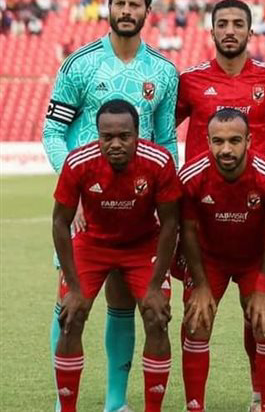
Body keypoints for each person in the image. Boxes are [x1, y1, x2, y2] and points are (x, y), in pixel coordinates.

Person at [41, 0, 178, 412]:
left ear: (147, 11)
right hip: (88, 204)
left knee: (124, 302)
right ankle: (64, 401)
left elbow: (167, 140)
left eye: (135, 5)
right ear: (108, 6)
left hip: (139, 207)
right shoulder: (79, 65)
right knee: (70, 303)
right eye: (120, 3)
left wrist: (164, 195)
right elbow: (52, 131)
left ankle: (115, 404)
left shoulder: (164, 71)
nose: (126, 11)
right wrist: (75, 191)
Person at [51, 100, 180, 412]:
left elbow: (170, 224)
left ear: (137, 134)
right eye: (107, 137)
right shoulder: (78, 162)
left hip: (142, 246)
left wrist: (155, 285)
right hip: (93, 244)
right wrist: (73, 286)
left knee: (156, 316)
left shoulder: (158, 161)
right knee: (71, 315)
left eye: (124, 136)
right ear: (98, 136)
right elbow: (59, 222)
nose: (116, 144)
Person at [178, 108, 265, 412]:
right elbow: (187, 232)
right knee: (196, 322)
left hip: (256, 259)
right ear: (207, 142)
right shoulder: (191, 177)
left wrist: (263, 288)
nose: (226, 149)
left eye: (234, 141)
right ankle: (195, 407)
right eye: (218, 141)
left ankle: (264, 402)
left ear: (249, 141)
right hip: (208, 259)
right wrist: (200, 285)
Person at [177, 0, 265, 162]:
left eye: (238, 24)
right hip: (201, 178)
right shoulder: (189, 80)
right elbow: (164, 128)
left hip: (254, 177)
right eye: (222, 25)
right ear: (212, 33)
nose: (229, 31)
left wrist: (258, 144)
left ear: (250, 34)